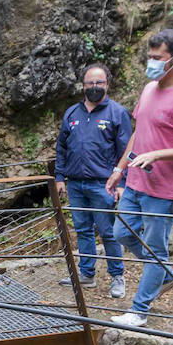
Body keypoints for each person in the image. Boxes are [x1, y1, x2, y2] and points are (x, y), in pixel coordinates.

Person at [104, 29, 173, 328]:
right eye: (149, 57)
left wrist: (159, 155)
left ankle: (139, 310)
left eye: (157, 58)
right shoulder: (150, 88)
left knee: (155, 249)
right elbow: (140, 133)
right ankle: (165, 273)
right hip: (136, 180)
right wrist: (120, 169)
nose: (150, 63)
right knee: (121, 233)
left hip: (165, 189)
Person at [54, 63, 132, 298]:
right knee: (83, 230)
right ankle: (86, 274)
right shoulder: (72, 113)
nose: (94, 87)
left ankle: (117, 276)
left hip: (104, 184)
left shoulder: (117, 113)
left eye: (99, 82)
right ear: (83, 85)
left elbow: (126, 150)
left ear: (107, 84)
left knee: (108, 232)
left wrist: (121, 183)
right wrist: (59, 177)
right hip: (76, 183)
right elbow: (62, 147)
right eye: (90, 83)